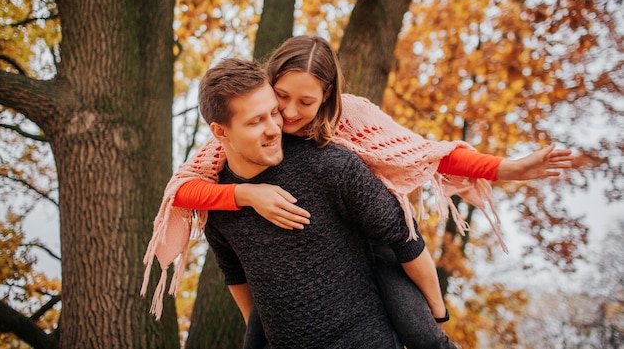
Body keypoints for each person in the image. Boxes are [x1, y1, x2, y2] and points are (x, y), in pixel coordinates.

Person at [141, 36, 573, 346]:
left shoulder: (350, 121)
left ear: (327, 96)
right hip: (291, 291)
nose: (286, 116)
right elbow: (182, 192)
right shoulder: (235, 132)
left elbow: (424, 154)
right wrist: (246, 196)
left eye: (303, 104)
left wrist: (508, 167)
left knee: (422, 330)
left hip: (373, 239)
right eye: (279, 100)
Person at [195, 57, 443, 348]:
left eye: (274, 112)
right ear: (220, 132)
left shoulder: (332, 167)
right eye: (255, 121)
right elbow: (235, 273)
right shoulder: (217, 203)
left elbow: (404, 236)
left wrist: (438, 314)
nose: (274, 128)